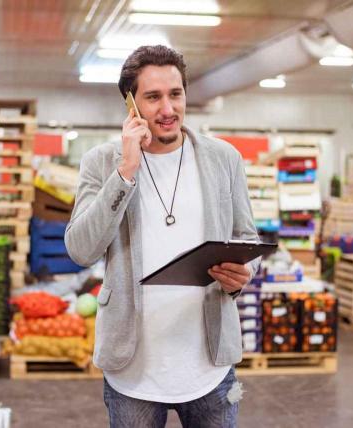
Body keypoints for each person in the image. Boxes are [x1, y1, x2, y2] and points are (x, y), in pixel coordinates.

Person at [65, 45, 260, 428]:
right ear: (131, 105)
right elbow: (80, 249)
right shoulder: (102, 162)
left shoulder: (224, 159)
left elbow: (246, 238)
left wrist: (242, 275)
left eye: (176, 94)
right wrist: (126, 170)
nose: (168, 109)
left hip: (210, 366)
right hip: (133, 370)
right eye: (153, 97)